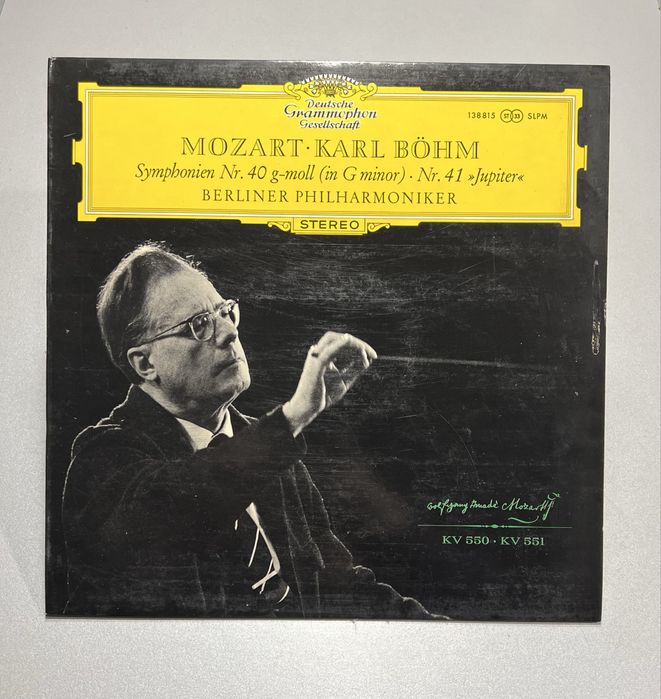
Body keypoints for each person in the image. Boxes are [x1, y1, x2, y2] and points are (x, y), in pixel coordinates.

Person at [62, 243, 431, 618]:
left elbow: (338, 586)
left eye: (225, 312)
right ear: (145, 364)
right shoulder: (104, 458)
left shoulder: (267, 447)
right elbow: (180, 501)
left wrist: (436, 631)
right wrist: (292, 417)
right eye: (199, 325)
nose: (228, 332)